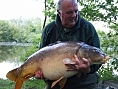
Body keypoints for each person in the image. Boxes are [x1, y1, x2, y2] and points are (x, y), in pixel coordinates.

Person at [37, 0, 101, 89]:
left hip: (85, 83)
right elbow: (40, 56)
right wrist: (40, 73)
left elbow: (98, 56)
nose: (74, 15)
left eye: (76, 11)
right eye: (69, 12)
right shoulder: (50, 29)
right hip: (55, 82)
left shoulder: (87, 28)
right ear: (59, 13)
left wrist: (87, 69)